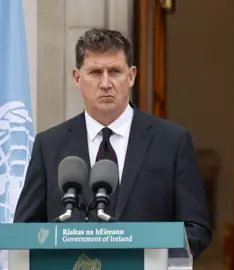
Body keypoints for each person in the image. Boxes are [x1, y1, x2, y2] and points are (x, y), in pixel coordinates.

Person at [13, 28, 212, 257]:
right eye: (96, 72)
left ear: (131, 76)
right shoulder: (48, 145)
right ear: (77, 78)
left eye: (115, 71)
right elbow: (25, 230)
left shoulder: (172, 142)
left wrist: (147, 258)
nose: (106, 83)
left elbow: (196, 229)